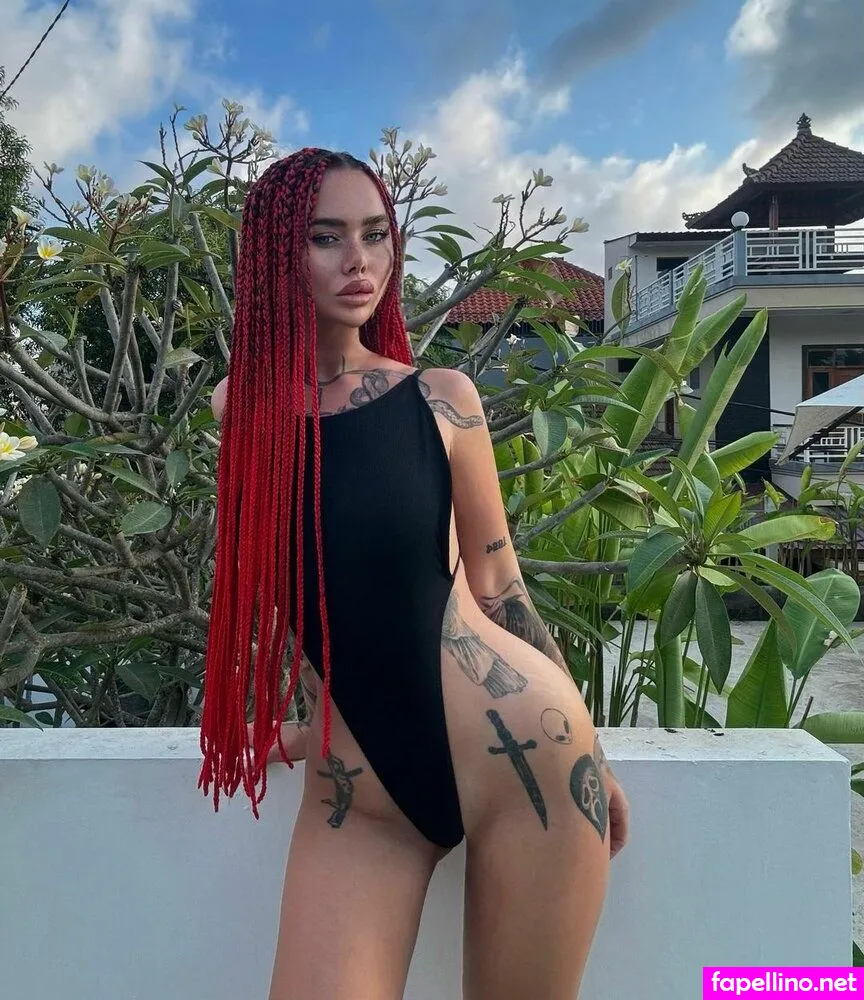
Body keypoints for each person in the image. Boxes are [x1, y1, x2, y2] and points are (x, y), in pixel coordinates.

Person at [200, 146, 630, 1000]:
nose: (358, 261)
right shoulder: (237, 411)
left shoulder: (442, 398)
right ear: (277, 253)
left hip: (527, 761)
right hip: (361, 794)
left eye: (375, 234)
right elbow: (313, 590)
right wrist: (305, 726)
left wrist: (596, 752)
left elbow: (500, 589)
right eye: (326, 237)